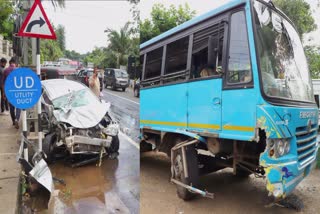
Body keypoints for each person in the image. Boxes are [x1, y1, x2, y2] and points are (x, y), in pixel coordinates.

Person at [3, 57, 21, 129]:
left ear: (9, 63)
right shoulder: (18, 70)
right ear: (15, 63)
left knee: (12, 107)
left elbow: (3, 83)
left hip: (9, 91)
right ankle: (17, 119)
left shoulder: (6, 70)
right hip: (18, 91)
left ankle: (13, 121)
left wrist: (4, 93)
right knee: (19, 106)